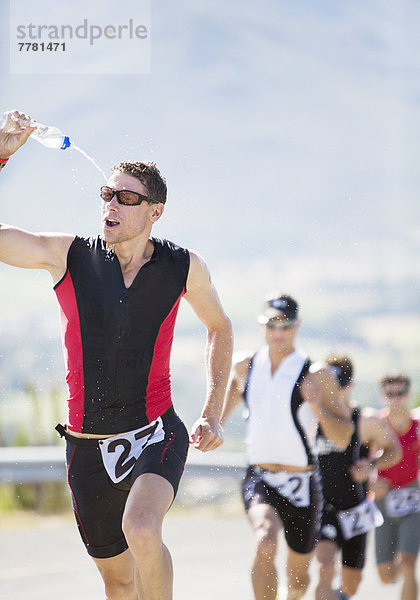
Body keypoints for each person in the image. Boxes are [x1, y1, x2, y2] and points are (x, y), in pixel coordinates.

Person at [0, 109, 233, 600]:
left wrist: (211, 413)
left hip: (155, 433)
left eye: (127, 198)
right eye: (107, 194)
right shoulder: (69, 255)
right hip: (86, 446)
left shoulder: (182, 266)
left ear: (155, 211)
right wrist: (2, 154)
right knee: (120, 583)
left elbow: (219, 326)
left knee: (143, 528)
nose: (112, 204)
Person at [221, 294, 354, 600]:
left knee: (297, 580)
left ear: (297, 326)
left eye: (286, 325)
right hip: (260, 477)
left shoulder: (316, 373)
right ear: (261, 325)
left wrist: (318, 406)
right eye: (271, 325)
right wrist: (210, 423)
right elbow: (222, 407)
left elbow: (344, 436)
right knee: (265, 540)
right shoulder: (245, 365)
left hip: (302, 483)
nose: (278, 333)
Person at [315, 355, 402, 600]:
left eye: (340, 386)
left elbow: (394, 450)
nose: (335, 393)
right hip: (323, 509)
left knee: (351, 586)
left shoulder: (366, 420)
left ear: (350, 385)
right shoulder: (313, 418)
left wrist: (371, 464)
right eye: (330, 387)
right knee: (325, 566)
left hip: (356, 510)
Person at [372, 373, 420, 600]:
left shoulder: (418, 427)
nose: (395, 399)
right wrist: (371, 483)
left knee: (408, 564)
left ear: (408, 395)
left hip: (413, 498)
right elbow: (362, 462)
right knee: (386, 575)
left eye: (400, 393)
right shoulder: (376, 426)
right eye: (390, 394)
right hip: (384, 501)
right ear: (384, 396)